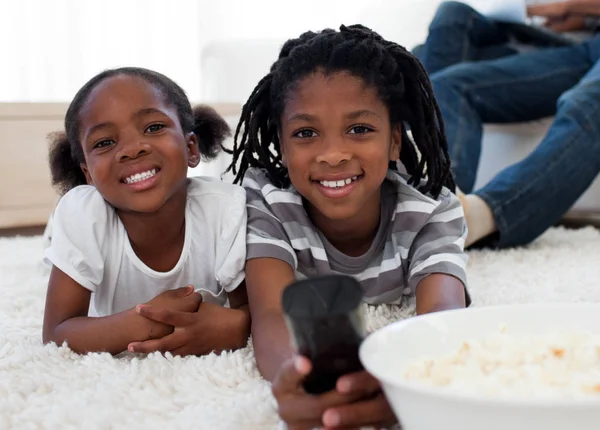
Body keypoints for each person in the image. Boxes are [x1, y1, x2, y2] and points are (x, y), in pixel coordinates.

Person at [225, 25, 470, 429]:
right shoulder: (268, 200)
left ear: (394, 141)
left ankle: (481, 215)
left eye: (359, 129)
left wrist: (408, 386)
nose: (333, 154)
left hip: (419, 205)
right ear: (282, 148)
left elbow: (443, 316)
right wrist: (299, 378)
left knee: (464, 216)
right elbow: (270, 313)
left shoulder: (431, 211)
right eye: (306, 133)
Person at [42, 67, 250, 356]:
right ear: (88, 174)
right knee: (61, 231)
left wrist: (236, 327)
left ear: (191, 148)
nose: (132, 149)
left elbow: (254, 311)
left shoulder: (225, 209)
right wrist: (146, 321)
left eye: (153, 127)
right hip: (77, 224)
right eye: (104, 142)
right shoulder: (85, 215)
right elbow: (56, 334)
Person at [415, 1, 600, 248]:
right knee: (446, 81)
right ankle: (438, 195)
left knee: (585, 101)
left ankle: (479, 218)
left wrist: (566, 6)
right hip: (583, 46)